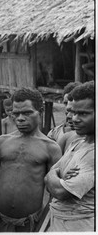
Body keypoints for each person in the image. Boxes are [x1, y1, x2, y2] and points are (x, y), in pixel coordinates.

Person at [0, 87, 62, 232]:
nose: (20, 118)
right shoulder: (1, 142)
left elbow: (54, 195)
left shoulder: (51, 148)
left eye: (27, 113)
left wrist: (40, 227)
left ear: (40, 112)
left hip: (30, 224)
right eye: (16, 114)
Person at [45, 81, 95, 232]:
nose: (74, 119)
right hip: (61, 223)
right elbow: (48, 180)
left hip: (80, 226)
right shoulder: (78, 143)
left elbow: (60, 192)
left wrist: (54, 174)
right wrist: (54, 175)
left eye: (83, 114)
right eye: (74, 112)